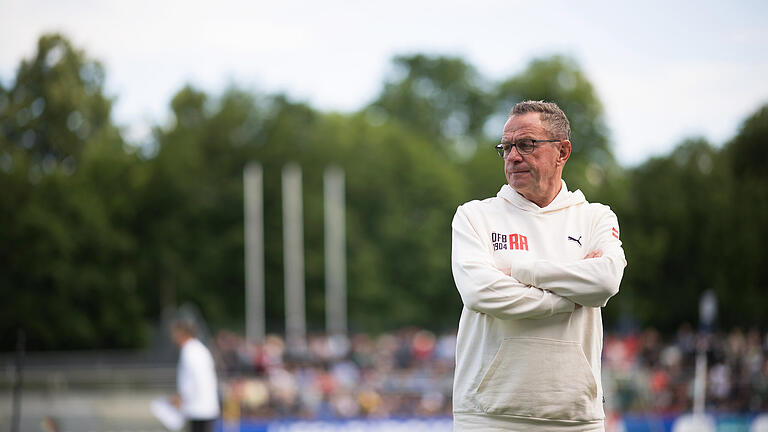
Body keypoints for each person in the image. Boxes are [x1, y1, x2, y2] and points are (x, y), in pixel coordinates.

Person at [451, 100, 626, 431]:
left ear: (562, 151)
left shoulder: (595, 217)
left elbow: (605, 282)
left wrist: (521, 271)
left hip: (576, 418)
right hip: (487, 417)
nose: (513, 156)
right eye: (506, 147)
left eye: (527, 145)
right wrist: (571, 298)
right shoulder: (474, 216)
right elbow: (481, 294)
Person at [171, 319, 221, 432]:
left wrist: (181, 397)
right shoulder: (198, 349)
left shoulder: (190, 351)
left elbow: (192, 379)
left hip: (198, 407)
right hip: (203, 406)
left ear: (181, 333)